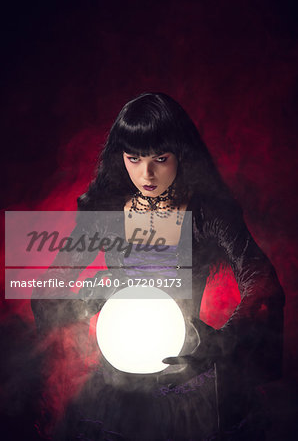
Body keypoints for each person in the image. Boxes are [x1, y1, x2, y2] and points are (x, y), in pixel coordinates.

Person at [32, 92, 285, 440]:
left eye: (160, 158)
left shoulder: (209, 213)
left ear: (181, 153)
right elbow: (53, 283)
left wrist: (219, 344)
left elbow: (262, 283)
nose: (146, 173)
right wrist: (84, 301)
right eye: (133, 158)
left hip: (187, 371)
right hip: (119, 366)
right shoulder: (105, 211)